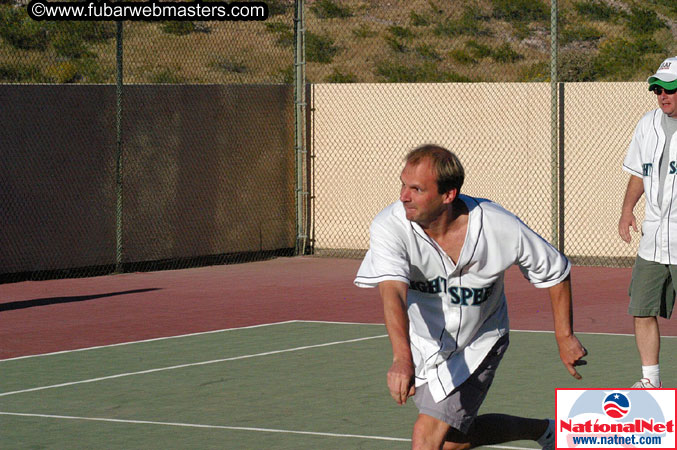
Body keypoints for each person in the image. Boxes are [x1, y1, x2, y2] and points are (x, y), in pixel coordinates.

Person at [354, 144, 587, 450]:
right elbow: (392, 293)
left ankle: (546, 432)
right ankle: (546, 431)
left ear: (448, 195)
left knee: (426, 437)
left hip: (480, 341)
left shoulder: (498, 226)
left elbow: (555, 270)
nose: (403, 196)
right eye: (403, 184)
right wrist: (402, 357)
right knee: (453, 443)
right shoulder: (390, 226)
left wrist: (564, 335)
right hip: (425, 346)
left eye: (416, 189)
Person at [619, 56, 677, 389]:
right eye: (657, 89)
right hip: (653, 236)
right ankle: (650, 381)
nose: (662, 95)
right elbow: (640, 173)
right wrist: (628, 210)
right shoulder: (647, 124)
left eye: (669, 89)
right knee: (642, 308)